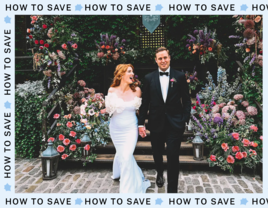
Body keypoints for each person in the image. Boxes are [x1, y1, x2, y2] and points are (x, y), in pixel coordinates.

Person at [138, 47, 191, 193]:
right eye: (160, 58)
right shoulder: (149, 78)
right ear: (156, 60)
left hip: (175, 124)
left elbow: (186, 101)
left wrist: (184, 120)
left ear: (169, 58)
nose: (163, 61)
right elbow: (145, 103)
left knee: (173, 156)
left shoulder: (179, 76)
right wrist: (141, 123)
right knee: (157, 152)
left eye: (165, 57)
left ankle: (172, 191)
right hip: (156, 123)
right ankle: (160, 173)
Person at [100, 64, 151, 193]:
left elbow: (140, 111)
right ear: (121, 74)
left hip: (130, 129)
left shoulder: (137, 90)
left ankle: (127, 192)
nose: (132, 74)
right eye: (129, 71)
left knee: (127, 156)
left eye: (132, 72)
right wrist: (96, 111)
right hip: (116, 129)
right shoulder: (112, 90)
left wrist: (141, 125)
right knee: (123, 155)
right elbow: (109, 110)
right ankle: (124, 173)